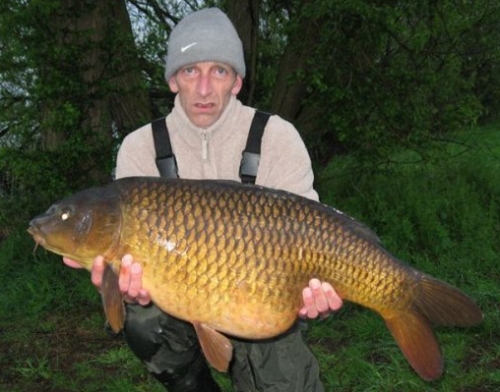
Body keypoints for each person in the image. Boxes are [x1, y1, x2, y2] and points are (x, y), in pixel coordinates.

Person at [64, 7, 343, 392]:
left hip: (264, 294)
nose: (205, 88)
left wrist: (320, 293)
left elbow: (316, 235)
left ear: (237, 82)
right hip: (180, 298)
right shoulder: (140, 148)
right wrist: (117, 286)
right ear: (174, 79)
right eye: (191, 70)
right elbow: (121, 287)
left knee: (282, 375)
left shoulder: (277, 137)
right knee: (143, 319)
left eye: (220, 71)